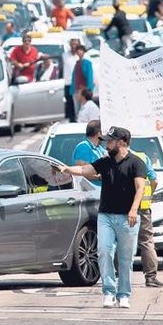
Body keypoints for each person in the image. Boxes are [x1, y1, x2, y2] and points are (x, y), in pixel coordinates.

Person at [58, 126, 146, 309]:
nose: (107, 144)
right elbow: (84, 170)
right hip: (106, 216)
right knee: (104, 251)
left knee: (126, 258)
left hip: (126, 218)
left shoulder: (136, 163)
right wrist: (66, 169)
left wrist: (133, 210)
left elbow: (140, 188)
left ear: (121, 143)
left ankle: (123, 295)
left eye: (111, 141)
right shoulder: (105, 162)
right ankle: (108, 292)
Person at [131, 151, 162, 288]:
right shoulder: (143, 157)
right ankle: (151, 277)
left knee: (119, 240)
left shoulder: (113, 157)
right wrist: (149, 198)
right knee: (146, 241)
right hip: (143, 207)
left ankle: (119, 276)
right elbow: (154, 180)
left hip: (122, 206)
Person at [70, 45, 94, 110]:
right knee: (77, 108)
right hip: (76, 88)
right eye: (78, 50)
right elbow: (74, 77)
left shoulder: (87, 63)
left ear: (83, 51)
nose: (79, 52)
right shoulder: (77, 63)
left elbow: (90, 76)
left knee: (84, 107)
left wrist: (89, 88)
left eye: (81, 50)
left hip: (84, 88)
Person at [63, 39, 80, 122]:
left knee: (78, 104)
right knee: (69, 104)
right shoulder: (64, 55)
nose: (74, 46)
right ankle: (71, 120)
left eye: (76, 44)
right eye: (72, 44)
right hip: (68, 83)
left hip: (78, 84)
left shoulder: (80, 56)